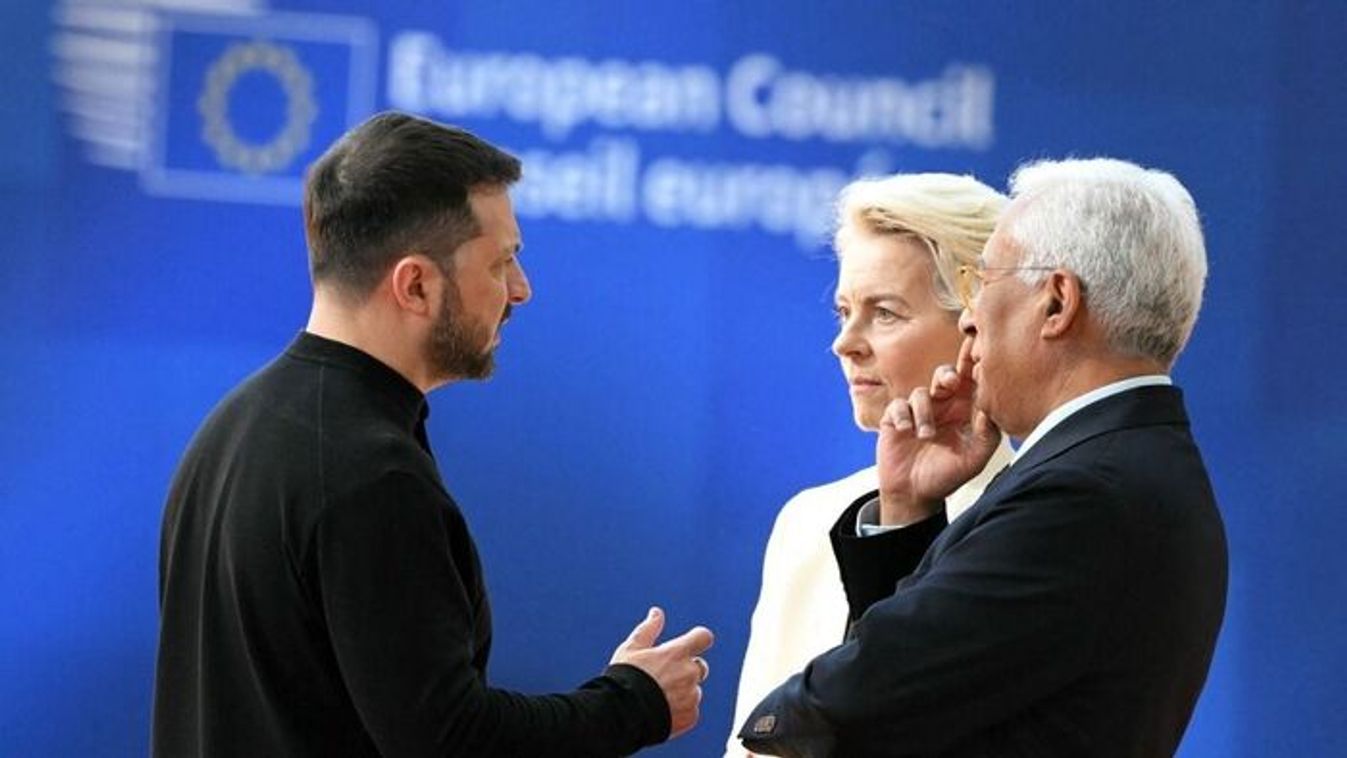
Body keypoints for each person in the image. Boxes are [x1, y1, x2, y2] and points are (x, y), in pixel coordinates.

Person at [152, 111, 713, 757]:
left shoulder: (228, 431)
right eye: (501, 263)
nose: (521, 291)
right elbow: (448, 740)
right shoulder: (371, 475)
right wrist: (633, 703)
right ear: (416, 283)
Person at [739, 158, 1228, 757]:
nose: (973, 318)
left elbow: (862, 703)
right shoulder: (1136, 464)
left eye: (986, 282)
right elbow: (930, 693)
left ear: (1057, 303)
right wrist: (907, 512)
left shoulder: (1079, 498)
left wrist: (778, 719)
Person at [725, 173, 1014, 757]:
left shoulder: (1031, 522)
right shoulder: (809, 521)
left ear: (975, 330)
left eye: (884, 313)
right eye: (843, 311)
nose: (846, 343)